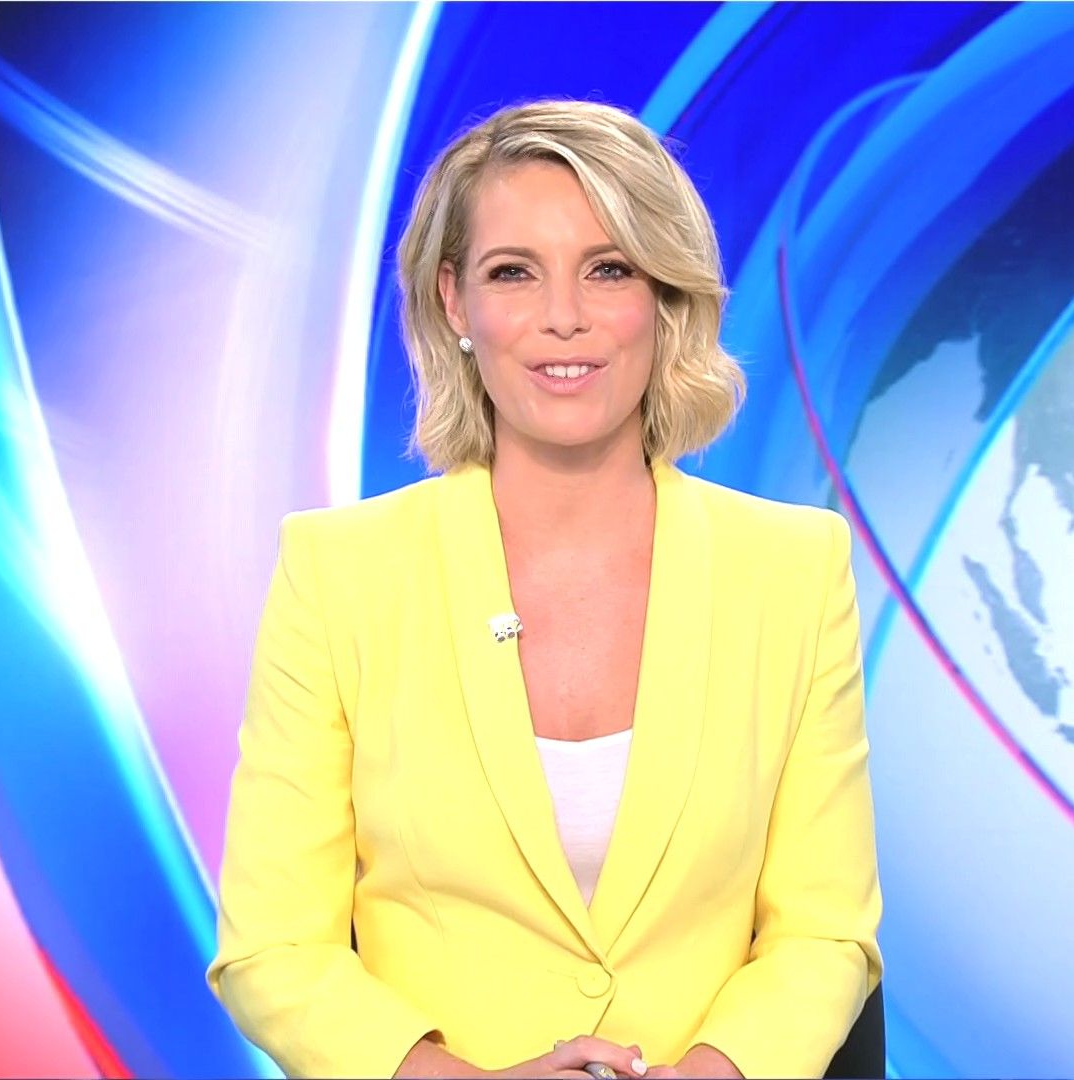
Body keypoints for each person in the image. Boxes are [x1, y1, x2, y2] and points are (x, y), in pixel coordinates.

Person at [207, 99, 881, 1079]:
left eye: (608, 269)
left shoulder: (794, 569)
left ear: (664, 295)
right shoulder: (338, 573)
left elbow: (824, 930)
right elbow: (273, 948)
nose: (564, 316)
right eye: (513, 272)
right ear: (454, 302)